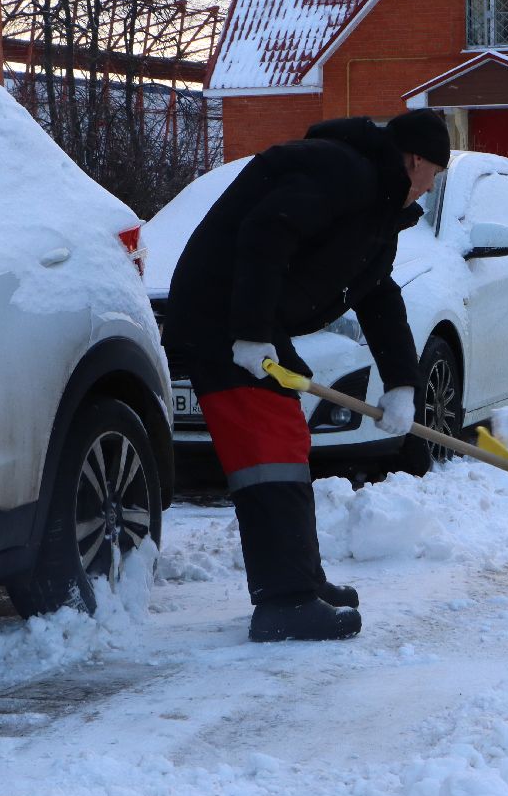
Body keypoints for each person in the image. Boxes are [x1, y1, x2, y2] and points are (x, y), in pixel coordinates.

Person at [162, 110, 450, 642]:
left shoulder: (377, 207)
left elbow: (379, 296)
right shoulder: (342, 172)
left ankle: (301, 583)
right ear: (416, 160)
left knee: (286, 441)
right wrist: (249, 332)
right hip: (219, 318)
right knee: (267, 451)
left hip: (252, 321)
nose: (432, 188)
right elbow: (266, 232)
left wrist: (402, 384)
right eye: (435, 173)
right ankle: (284, 602)